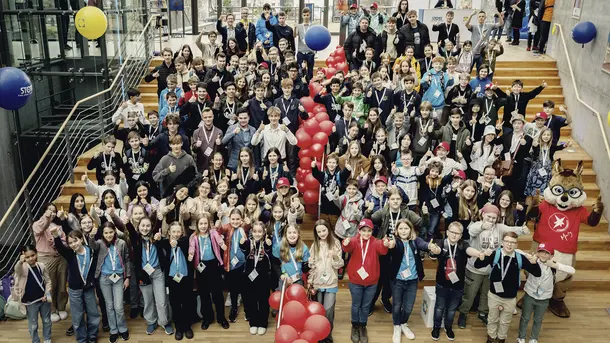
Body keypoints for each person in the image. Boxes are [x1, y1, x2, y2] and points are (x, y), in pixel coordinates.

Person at [474, 232, 541, 343]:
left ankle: (501, 338)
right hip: (494, 295)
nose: (509, 245)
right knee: (492, 319)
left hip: (510, 298)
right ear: (502, 242)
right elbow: (478, 265)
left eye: (512, 242)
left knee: (505, 321)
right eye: (507, 241)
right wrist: (481, 257)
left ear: (516, 245)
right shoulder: (495, 254)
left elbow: (537, 273)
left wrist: (534, 263)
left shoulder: (520, 258)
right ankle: (491, 338)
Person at [429, 222, 483, 341]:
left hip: (458, 285)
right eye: (452, 232)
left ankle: (448, 327)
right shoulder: (441, 242)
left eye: (457, 233)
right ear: (447, 232)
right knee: (439, 307)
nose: (454, 235)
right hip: (442, 283)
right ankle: (436, 327)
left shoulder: (463, 244)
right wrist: (434, 250)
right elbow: (436, 250)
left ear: (460, 235)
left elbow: (469, 250)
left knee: (452, 309)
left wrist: (478, 253)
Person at [387, 219, 437, 341]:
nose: (403, 231)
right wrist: (390, 245)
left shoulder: (415, 241)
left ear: (410, 229)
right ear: (397, 231)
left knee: (409, 307)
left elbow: (424, 245)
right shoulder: (395, 242)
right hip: (398, 280)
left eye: (406, 228)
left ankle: (403, 323)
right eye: (401, 228)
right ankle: (397, 326)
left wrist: (430, 246)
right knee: (397, 305)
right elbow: (391, 247)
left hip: (412, 280)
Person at [343, 219, 390, 343]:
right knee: (356, 304)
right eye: (364, 231)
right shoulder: (354, 241)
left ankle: (363, 326)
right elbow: (347, 247)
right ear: (359, 231)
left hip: (372, 282)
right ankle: (355, 326)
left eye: (369, 231)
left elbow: (383, 249)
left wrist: (385, 244)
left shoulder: (375, 242)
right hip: (355, 281)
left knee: (365, 306)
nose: (366, 233)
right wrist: (346, 242)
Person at [517, 243, 575, 343]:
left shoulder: (553, 264)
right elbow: (516, 251)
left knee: (538, 320)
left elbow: (572, 270)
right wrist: (528, 256)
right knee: (525, 317)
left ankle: (534, 338)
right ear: (537, 253)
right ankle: (521, 337)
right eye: (541, 252)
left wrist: (555, 265)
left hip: (544, 298)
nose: (543, 255)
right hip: (530, 295)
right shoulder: (532, 261)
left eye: (546, 253)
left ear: (551, 255)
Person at [53, 229, 101, 342]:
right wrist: (56, 236)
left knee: (93, 313)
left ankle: (92, 337)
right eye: (70, 243)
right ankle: (82, 339)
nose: (73, 244)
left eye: (75, 241)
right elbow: (60, 248)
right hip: (75, 290)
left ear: (81, 239)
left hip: (88, 288)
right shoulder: (70, 254)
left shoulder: (92, 252)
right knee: (77, 316)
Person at [89, 222, 131, 343]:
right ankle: (113, 330)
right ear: (102, 234)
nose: (108, 235)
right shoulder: (100, 244)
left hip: (118, 278)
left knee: (118, 307)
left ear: (115, 232)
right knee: (109, 306)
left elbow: (127, 260)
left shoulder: (121, 243)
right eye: (106, 233)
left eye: (111, 232)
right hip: (104, 278)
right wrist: (91, 236)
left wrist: (127, 277)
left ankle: (122, 328)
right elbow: (92, 246)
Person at [308, 219, 344, 343]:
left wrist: (334, 255)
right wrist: (310, 280)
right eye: (319, 232)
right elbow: (312, 266)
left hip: (331, 283)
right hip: (318, 283)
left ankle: (327, 336)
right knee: (319, 311)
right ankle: (319, 334)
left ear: (328, 229)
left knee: (328, 311)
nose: (322, 233)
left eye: (324, 230)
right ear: (316, 233)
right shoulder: (314, 245)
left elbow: (340, 265)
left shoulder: (336, 243)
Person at [158, 221, 195, 339]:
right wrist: (159, 240)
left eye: (178, 231)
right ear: (169, 232)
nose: (176, 234)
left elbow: (183, 244)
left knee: (187, 302)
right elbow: (160, 251)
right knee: (175, 303)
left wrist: (176, 243)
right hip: (172, 278)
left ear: (182, 232)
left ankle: (187, 326)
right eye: (173, 231)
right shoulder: (165, 244)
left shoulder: (185, 241)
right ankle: (179, 327)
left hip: (185, 278)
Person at [32, 203, 68, 323]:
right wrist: (46, 217)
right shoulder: (38, 224)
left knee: (62, 285)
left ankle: (61, 307)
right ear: (44, 211)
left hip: (61, 257)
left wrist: (57, 240)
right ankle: (52, 310)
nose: (52, 213)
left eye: (54, 211)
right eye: (49, 210)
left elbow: (65, 239)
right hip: (46, 258)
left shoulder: (58, 225)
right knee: (50, 286)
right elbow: (41, 228)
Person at [15, 245, 53, 343]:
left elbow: (48, 280)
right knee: (33, 324)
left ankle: (47, 339)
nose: (31, 258)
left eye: (33, 255)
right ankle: (35, 340)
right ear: (23, 257)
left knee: (47, 321)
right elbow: (17, 270)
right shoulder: (22, 267)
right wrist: (20, 261)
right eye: (27, 257)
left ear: (36, 254)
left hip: (44, 299)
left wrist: (47, 292)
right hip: (30, 302)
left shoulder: (41, 265)